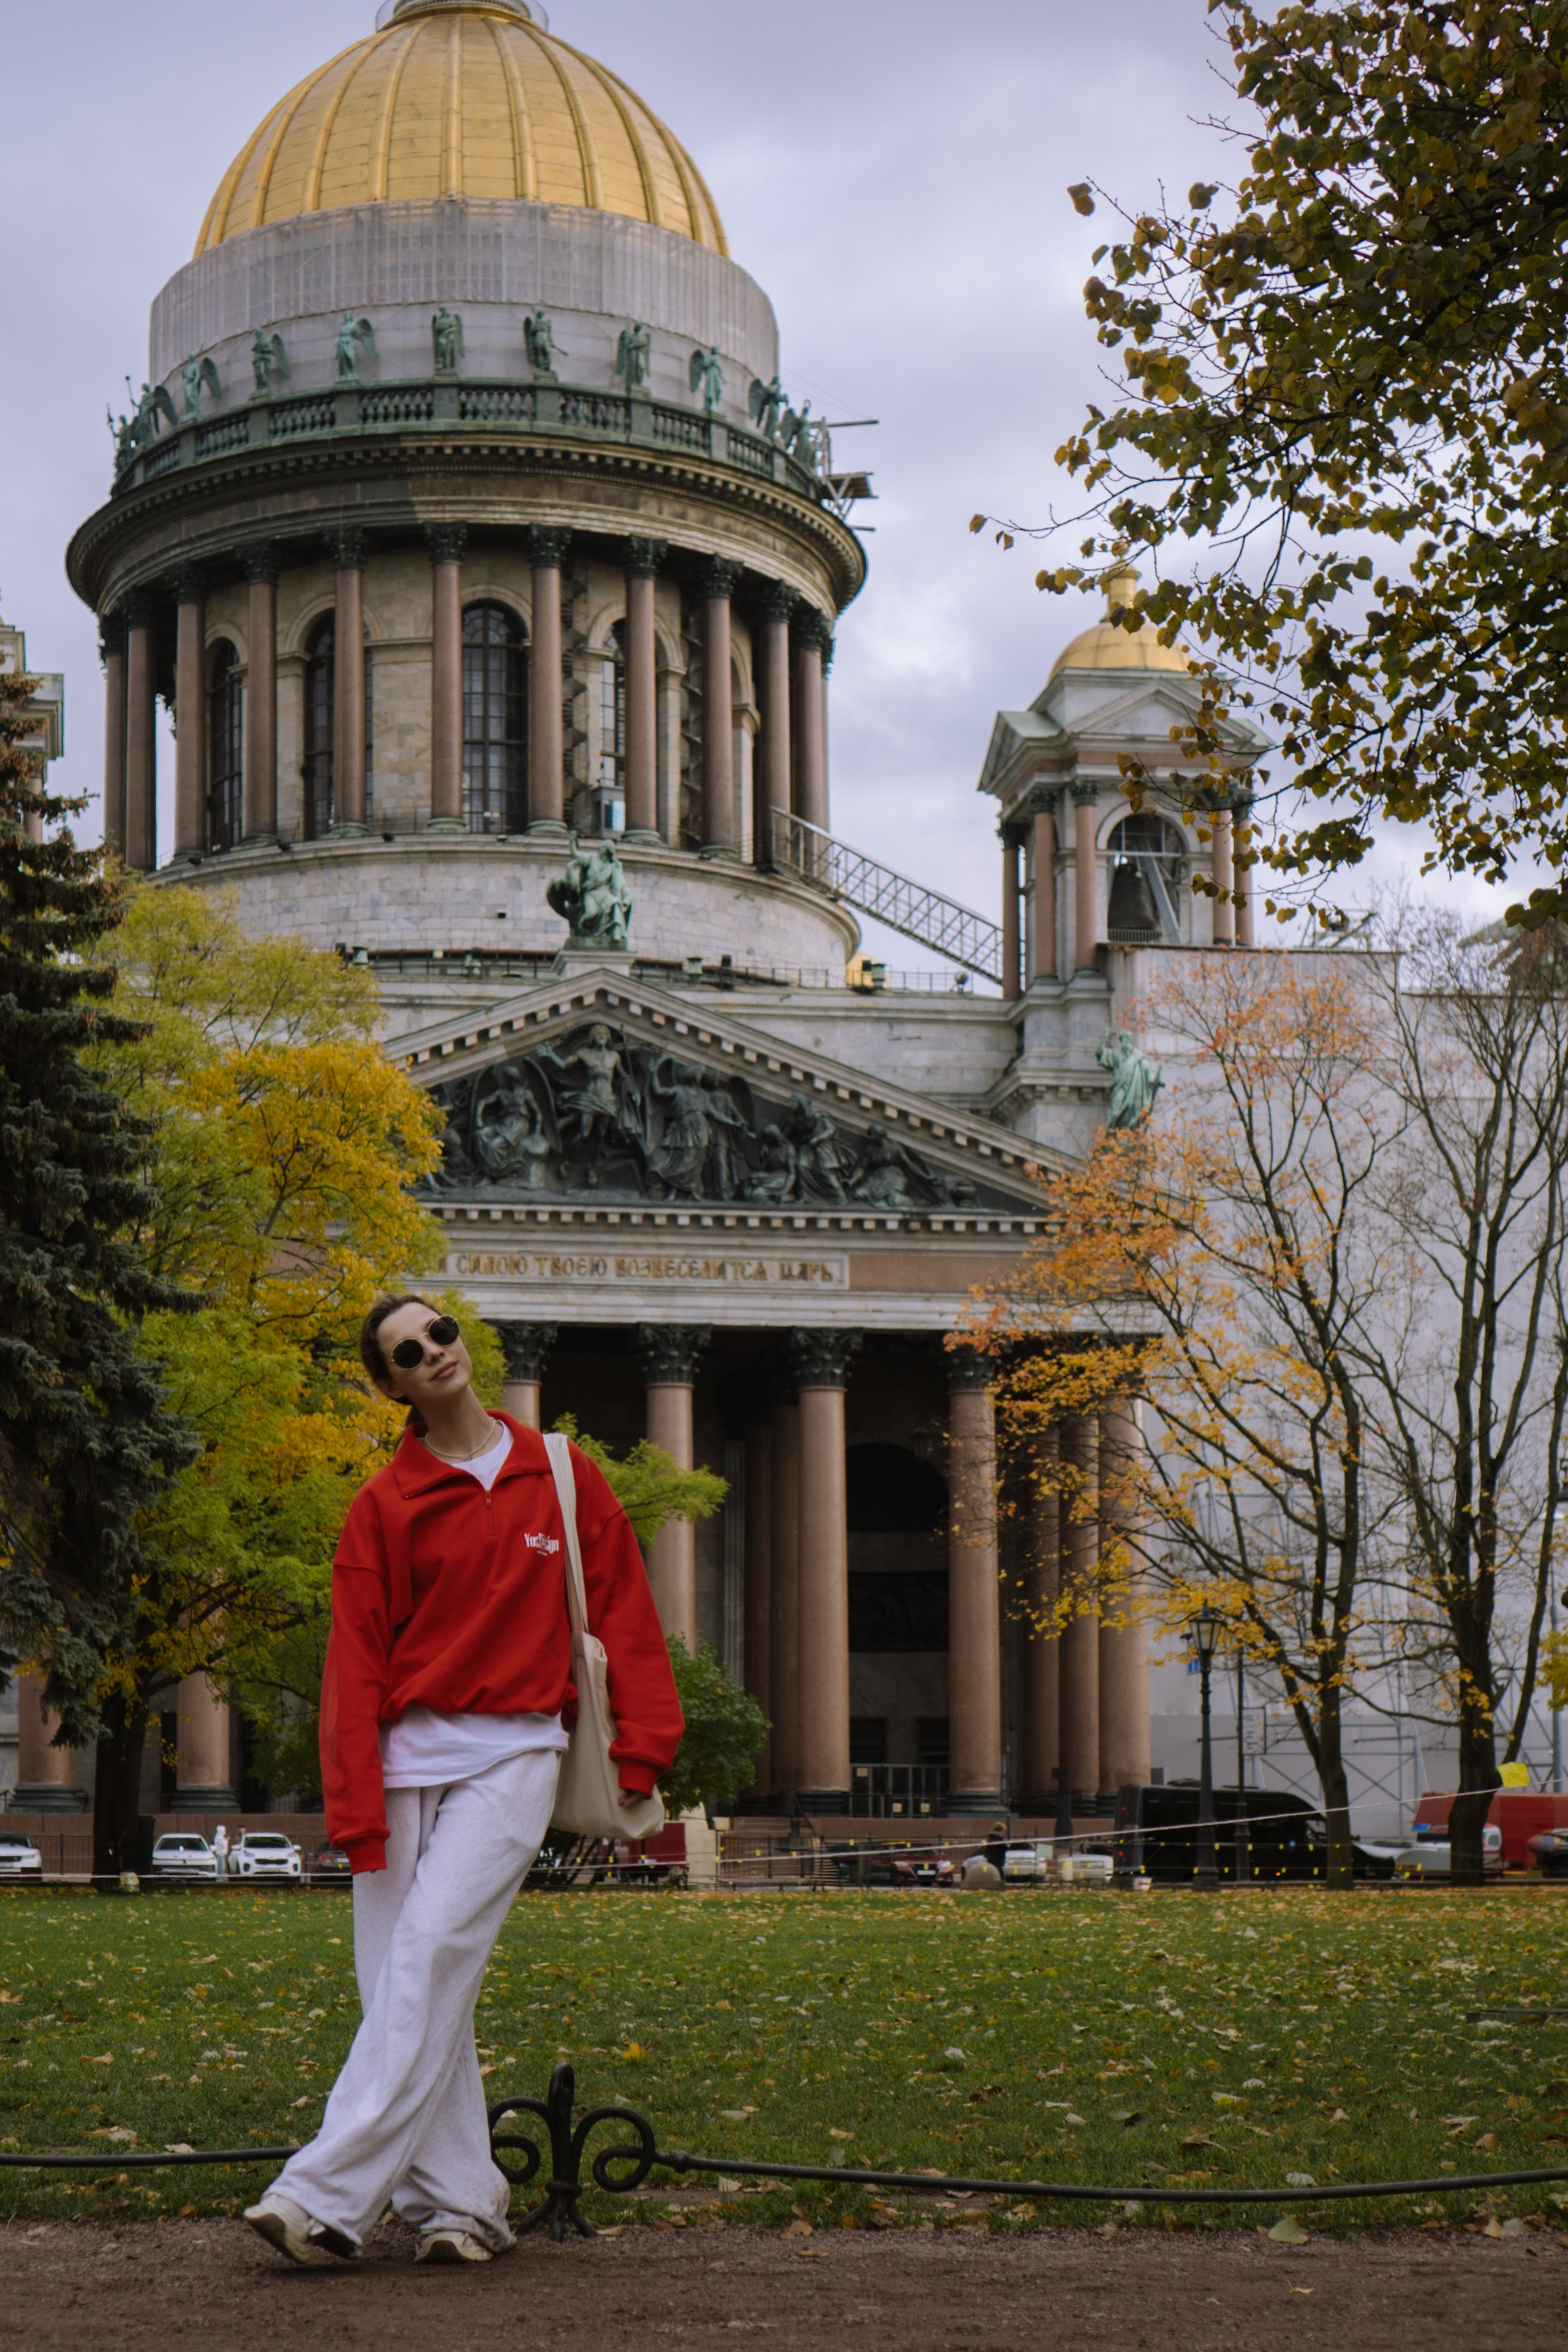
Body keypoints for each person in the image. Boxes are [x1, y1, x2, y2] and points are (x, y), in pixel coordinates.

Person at [244, 1295, 682, 2269]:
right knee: (407, 1983)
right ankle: (465, 2208)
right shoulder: (383, 1504)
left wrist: (643, 1746)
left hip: (516, 1751)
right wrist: (354, 1806)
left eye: (440, 1333)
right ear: (392, 1384)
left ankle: (319, 2195)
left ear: (461, 1344)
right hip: (403, 1763)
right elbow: (354, 1668)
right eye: (409, 1351)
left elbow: (624, 1613)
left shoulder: (563, 1475)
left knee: (431, 1954)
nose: (433, 1352)